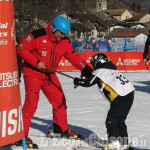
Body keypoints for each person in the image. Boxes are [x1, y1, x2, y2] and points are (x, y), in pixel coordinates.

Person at [16, 16, 92, 148]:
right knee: (31, 106)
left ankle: (60, 130)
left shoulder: (64, 42)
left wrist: (86, 69)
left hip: (49, 75)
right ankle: (21, 136)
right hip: (33, 74)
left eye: (64, 35)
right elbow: (21, 48)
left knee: (60, 101)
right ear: (53, 28)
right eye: (60, 34)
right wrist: (36, 62)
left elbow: (73, 57)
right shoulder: (38, 35)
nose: (62, 37)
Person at [74, 53, 135, 150]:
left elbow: (89, 82)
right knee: (120, 120)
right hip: (129, 94)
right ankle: (124, 143)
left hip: (120, 96)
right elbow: (94, 78)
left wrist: (78, 81)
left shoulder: (100, 71)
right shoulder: (110, 69)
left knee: (111, 121)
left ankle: (114, 143)